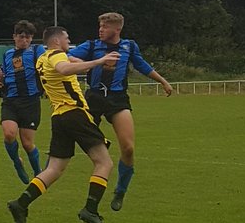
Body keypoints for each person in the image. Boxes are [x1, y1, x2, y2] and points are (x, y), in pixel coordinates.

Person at [7, 26, 122, 223]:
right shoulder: (58, 56)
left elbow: (76, 66)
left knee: (55, 169)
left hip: (59, 117)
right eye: (67, 38)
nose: (69, 41)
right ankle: (90, 209)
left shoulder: (43, 58)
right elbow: (64, 69)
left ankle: (20, 203)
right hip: (74, 113)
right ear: (58, 41)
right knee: (104, 162)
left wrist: (95, 61)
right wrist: (98, 61)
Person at [67, 12, 174, 212]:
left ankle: (120, 190)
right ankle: (51, 166)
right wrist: (75, 60)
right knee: (73, 134)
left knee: (128, 148)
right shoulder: (91, 46)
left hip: (117, 99)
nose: (100, 30)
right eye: (99, 26)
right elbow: (65, 57)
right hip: (94, 97)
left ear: (117, 29)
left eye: (105, 27)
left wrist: (162, 81)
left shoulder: (129, 46)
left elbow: (142, 66)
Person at [0, 21, 47, 184]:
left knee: (27, 143)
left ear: (31, 38)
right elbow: (4, 71)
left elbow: (47, 66)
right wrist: (0, 74)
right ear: (14, 37)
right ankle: (17, 162)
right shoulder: (8, 54)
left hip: (30, 101)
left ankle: (37, 171)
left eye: (28, 37)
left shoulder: (38, 50)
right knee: (9, 134)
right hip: (10, 100)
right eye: (21, 36)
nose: (24, 40)